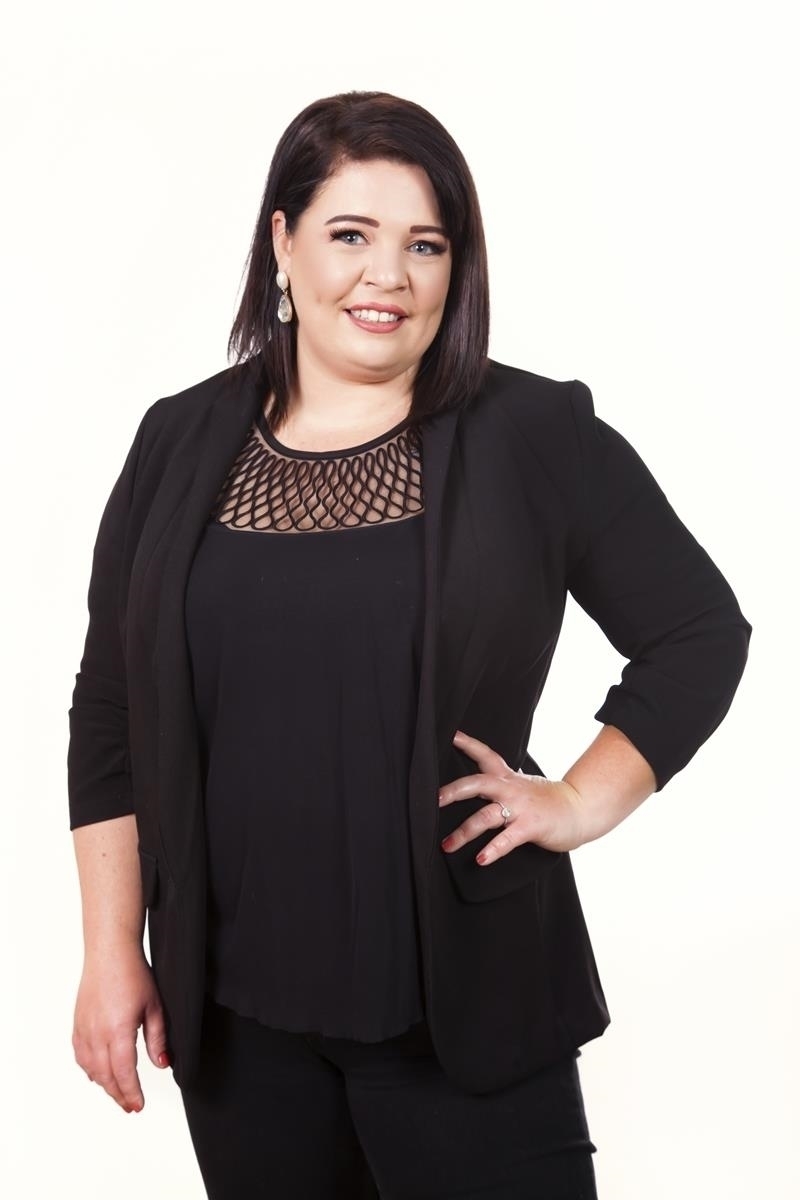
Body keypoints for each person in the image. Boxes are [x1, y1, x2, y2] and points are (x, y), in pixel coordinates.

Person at [67, 90, 751, 1200]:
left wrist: (580, 800)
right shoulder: (177, 440)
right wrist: (110, 951)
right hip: (237, 1030)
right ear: (282, 241)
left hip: (463, 1013)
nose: (386, 275)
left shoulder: (532, 435)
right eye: (350, 234)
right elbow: (110, 709)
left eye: (424, 245)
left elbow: (697, 632)